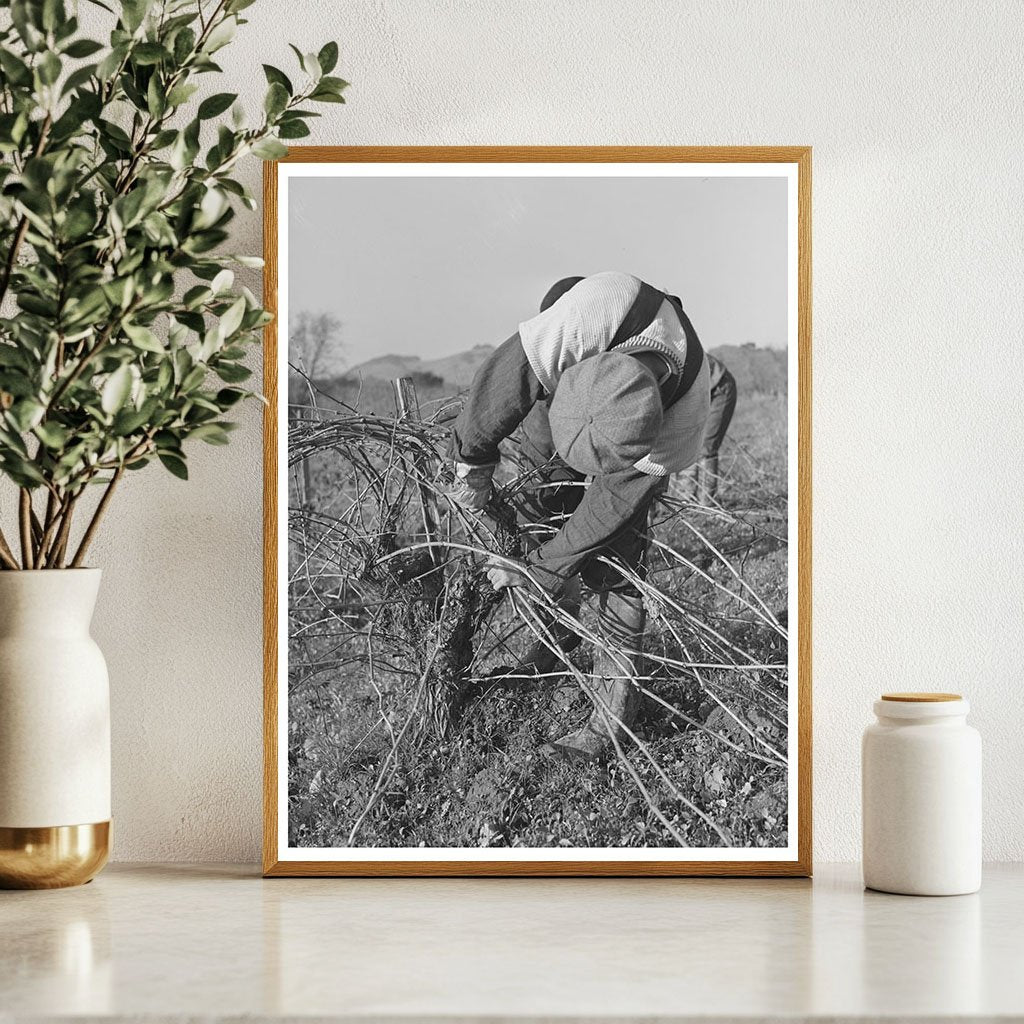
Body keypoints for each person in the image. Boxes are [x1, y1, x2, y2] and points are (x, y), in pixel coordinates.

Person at [446, 272, 710, 760]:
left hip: (632, 444)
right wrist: (472, 470)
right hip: (569, 384)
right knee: (536, 496)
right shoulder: (576, 327)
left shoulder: (682, 422)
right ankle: (556, 640)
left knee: (617, 560)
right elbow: (496, 391)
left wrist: (545, 566)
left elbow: (613, 504)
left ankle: (610, 721)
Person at [671, 353, 737, 502]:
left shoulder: (671, 354)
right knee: (684, 444)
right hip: (696, 393)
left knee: (706, 448)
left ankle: (707, 503)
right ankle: (685, 501)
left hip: (719, 387)